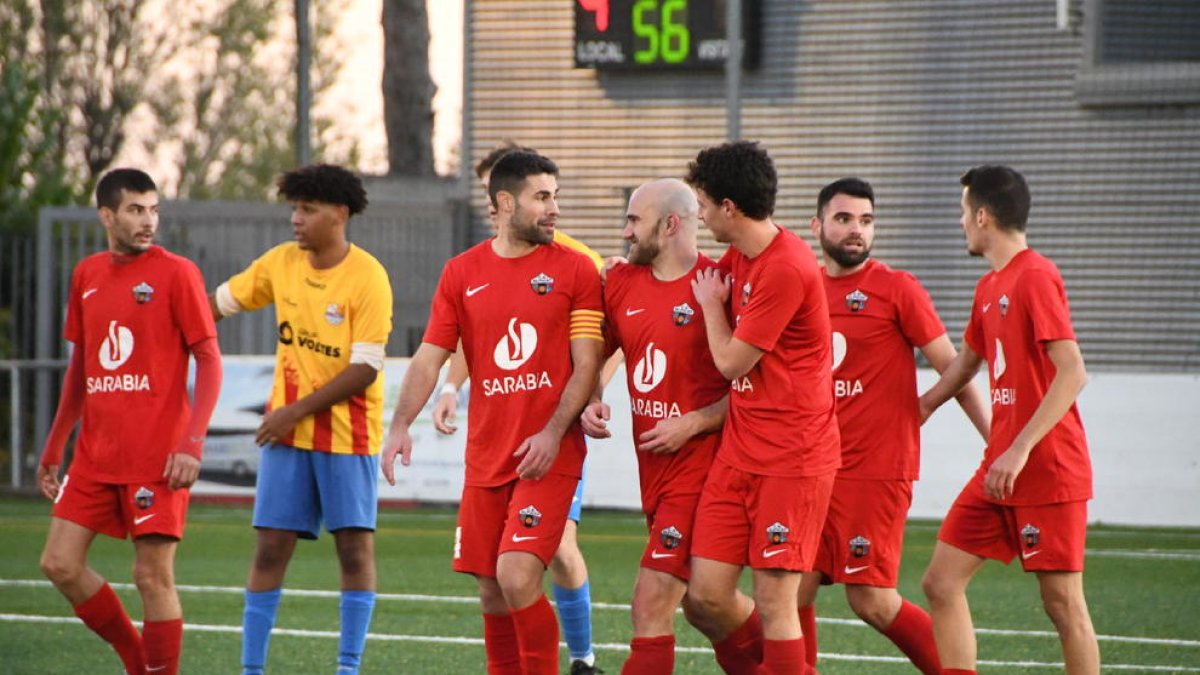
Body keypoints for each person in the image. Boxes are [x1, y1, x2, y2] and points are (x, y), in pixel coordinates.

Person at [382, 149, 604, 675]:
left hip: (549, 456)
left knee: (518, 575)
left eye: (556, 197)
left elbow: (587, 362)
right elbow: (430, 357)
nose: (554, 209)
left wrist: (555, 433)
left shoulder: (576, 269)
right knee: (490, 591)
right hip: (486, 455)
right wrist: (398, 426)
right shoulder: (462, 273)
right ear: (505, 203)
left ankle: (578, 659)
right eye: (542, 198)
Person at [796, 178, 991, 674]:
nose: (856, 230)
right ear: (817, 226)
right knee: (790, 588)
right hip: (810, 469)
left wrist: (991, 436)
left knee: (871, 600)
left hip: (874, 470)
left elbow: (957, 368)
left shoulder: (895, 287)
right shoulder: (803, 287)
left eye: (866, 220)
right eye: (843, 219)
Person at [208, 164, 393, 675]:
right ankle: (252, 669)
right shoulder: (280, 264)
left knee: (354, 552)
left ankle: (348, 668)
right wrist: (163, 326)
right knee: (269, 548)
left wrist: (291, 411)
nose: (296, 219)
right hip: (289, 440)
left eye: (307, 209)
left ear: (339, 214)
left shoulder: (368, 277)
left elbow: (365, 369)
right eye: (294, 208)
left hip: (347, 436)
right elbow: (216, 306)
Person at [37, 168, 222, 675]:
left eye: (153, 210)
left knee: (151, 577)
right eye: (136, 210)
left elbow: (208, 359)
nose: (148, 221)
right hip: (95, 455)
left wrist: (192, 443)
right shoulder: (87, 275)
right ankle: (137, 663)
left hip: (157, 455)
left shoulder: (178, 273)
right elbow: (82, 369)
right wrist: (56, 447)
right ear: (107, 215)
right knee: (59, 564)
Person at [919, 165, 1099, 675]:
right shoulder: (990, 286)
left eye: (961, 213)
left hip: (1045, 468)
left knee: (1063, 604)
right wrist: (924, 404)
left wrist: (1018, 449)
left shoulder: (1036, 275)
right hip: (999, 469)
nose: (960, 223)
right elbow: (968, 362)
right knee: (940, 581)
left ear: (982, 216)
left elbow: (1073, 372)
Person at [685, 141, 841, 675]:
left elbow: (731, 363)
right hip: (739, 454)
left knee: (777, 602)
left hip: (792, 460)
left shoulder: (787, 267)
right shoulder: (740, 256)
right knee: (703, 597)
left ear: (728, 207)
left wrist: (710, 307)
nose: (700, 216)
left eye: (703, 205)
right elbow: (696, 272)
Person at [580, 178, 733, 674]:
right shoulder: (620, 282)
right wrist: (593, 398)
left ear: (670, 225)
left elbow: (763, 389)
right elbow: (594, 357)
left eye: (633, 221)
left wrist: (695, 423)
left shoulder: (720, 285)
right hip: (655, 474)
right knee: (706, 608)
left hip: (705, 471)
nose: (625, 232)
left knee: (651, 603)